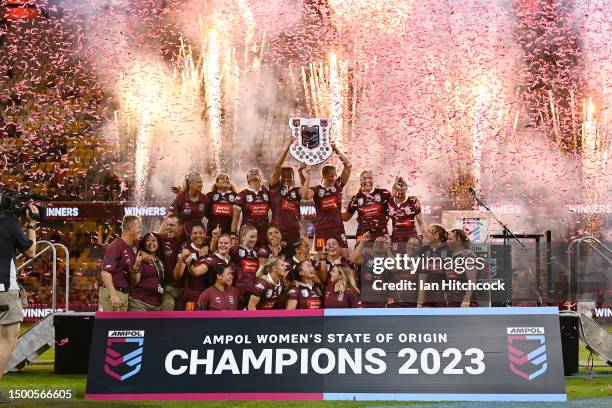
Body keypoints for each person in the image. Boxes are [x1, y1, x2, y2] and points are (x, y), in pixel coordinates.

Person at [0, 204, 38, 399]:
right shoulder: (9, 222)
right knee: (7, 339)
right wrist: (31, 223)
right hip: (4, 287)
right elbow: (31, 251)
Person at [300, 144, 351, 254]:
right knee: (321, 260)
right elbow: (304, 196)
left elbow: (348, 165)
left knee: (344, 256)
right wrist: (308, 175)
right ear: (323, 175)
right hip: (322, 230)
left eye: (334, 175)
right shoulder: (317, 190)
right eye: (330, 176)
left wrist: (336, 149)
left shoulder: (337, 186)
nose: (333, 178)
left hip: (338, 229)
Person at [99, 215, 141, 312]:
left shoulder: (134, 244)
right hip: (113, 294)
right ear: (130, 228)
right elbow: (105, 273)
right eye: (139, 226)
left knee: (122, 326)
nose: (140, 230)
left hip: (125, 294)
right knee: (112, 326)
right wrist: (113, 295)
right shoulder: (115, 247)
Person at [269, 140, 306, 244]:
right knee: (279, 258)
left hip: (295, 232)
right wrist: (288, 147)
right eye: (283, 176)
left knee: (296, 259)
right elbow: (277, 167)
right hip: (278, 231)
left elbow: (305, 191)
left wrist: (300, 172)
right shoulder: (275, 188)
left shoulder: (295, 191)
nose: (286, 179)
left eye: (289, 176)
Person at [343, 170, 391, 240]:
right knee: (362, 247)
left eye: (370, 178)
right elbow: (346, 217)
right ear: (360, 181)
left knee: (380, 246)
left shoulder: (383, 193)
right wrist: (333, 210)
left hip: (380, 234)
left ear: (373, 180)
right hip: (363, 235)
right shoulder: (356, 198)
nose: (367, 180)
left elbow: (397, 202)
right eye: (364, 178)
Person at [175, 222, 211, 311]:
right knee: (190, 322)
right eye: (195, 233)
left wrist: (207, 247)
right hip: (191, 295)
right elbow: (177, 276)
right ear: (190, 236)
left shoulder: (209, 249)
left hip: (208, 294)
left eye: (200, 233)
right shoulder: (186, 251)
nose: (198, 235)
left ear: (205, 234)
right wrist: (183, 258)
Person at [232, 168, 270, 247]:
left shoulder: (267, 192)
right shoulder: (242, 194)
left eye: (257, 171)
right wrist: (233, 235)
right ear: (247, 179)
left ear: (261, 178)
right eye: (250, 171)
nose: (254, 171)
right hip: (247, 234)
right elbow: (235, 218)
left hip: (263, 234)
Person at [128, 232, 165, 311]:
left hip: (156, 304)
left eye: (154, 240)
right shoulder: (142, 258)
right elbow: (135, 281)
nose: (151, 243)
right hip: (139, 303)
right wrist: (137, 264)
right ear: (144, 243)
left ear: (159, 243)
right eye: (147, 240)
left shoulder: (160, 260)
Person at [160, 214, 189, 311]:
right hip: (168, 288)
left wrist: (205, 246)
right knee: (166, 319)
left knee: (181, 322)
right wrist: (143, 252)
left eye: (172, 225)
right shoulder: (162, 239)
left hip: (186, 290)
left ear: (181, 226)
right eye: (167, 225)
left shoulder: (190, 239)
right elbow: (145, 242)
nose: (168, 227)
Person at [417, 224, 449, 307]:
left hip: (442, 291)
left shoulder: (448, 249)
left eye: (429, 231)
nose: (425, 233)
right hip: (427, 290)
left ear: (437, 235)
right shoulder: (424, 249)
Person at [388, 176, 426, 242]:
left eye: (402, 193)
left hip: (411, 238)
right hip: (396, 238)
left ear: (406, 190)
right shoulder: (389, 202)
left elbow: (421, 222)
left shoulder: (413, 201)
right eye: (398, 192)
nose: (399, 195)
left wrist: (425, 238)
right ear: (393, 189)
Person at [446, 229, 478, 307]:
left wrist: (466, 299)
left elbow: (472, 279)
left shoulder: (468, 255)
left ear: (459, 240)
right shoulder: (451, 255)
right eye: (448, 239)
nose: (448, 241)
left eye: (450, 239)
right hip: (452, 299)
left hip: (464, 301)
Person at [229, 225, 259, 308]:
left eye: (256, 237)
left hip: (252, 292)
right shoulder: (235, 250)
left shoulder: (256, 253)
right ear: (243, 237)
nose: (254, 239)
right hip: (239, 292)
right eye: (251, 236)